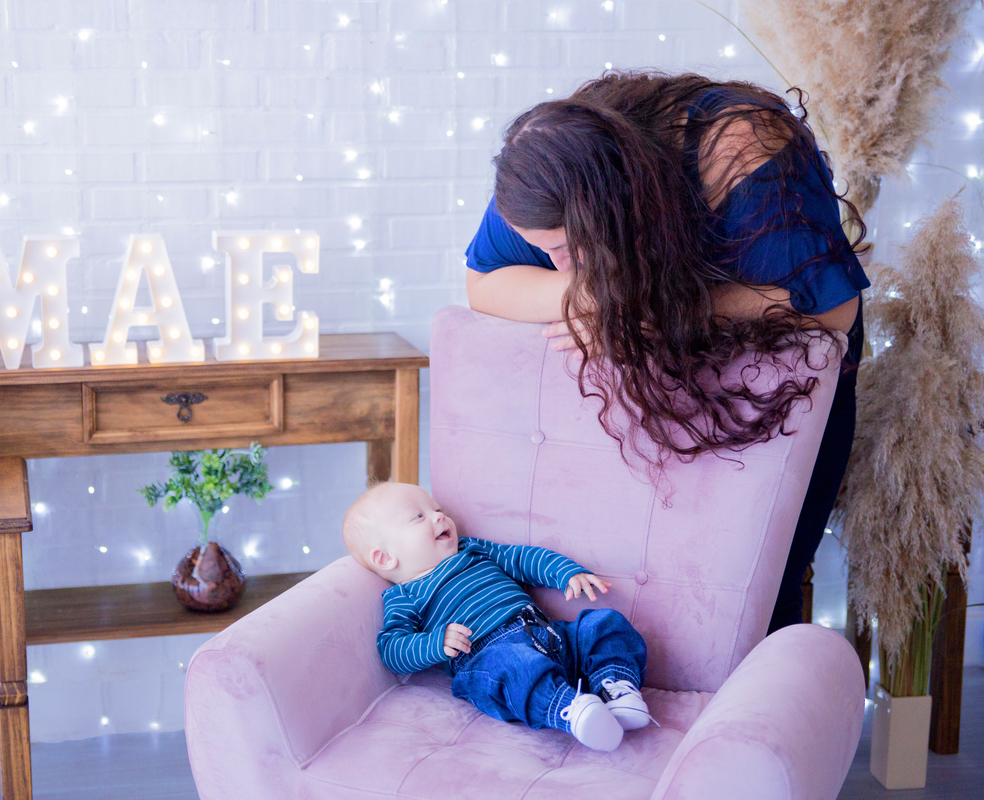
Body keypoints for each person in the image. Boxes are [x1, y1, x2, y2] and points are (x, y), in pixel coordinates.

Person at [464, 71, 869, 632]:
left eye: (562, 249)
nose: (553, 265)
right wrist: (595, 297)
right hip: (667, 383)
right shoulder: (541, 171)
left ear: (609, 210)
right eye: (543, 251)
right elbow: (482, 283)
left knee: (757, 593)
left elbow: (829, 308)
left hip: (780, 372)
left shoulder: (740, 146)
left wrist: (652, 311)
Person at [342, 481, 651, 752]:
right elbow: (392, 649)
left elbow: (521, 558)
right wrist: (435, 643)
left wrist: (565, 573)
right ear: (385, 557)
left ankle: (615, 688)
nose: (439, 516)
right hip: (485, 654)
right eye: (419, 517)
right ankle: (569, 708)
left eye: (437, 509)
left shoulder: (472, 549)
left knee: (602, 623)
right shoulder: (403, 597)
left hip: (546, 633)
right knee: (510, 669)